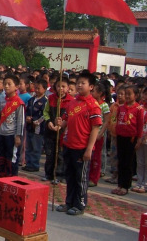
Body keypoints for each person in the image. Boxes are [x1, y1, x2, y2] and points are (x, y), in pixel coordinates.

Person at [56, 70, 102, 216]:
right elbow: (65, 121)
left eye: (83, 83)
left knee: (80, 177)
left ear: (91, 87)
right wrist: (60, 123)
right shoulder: (72, 102)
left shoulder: (93, 105)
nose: (80, 85)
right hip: (69, 144)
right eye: (78, 83)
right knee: (69, 175)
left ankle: (80, 204)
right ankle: (69, 201)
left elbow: (96, 127)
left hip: (82, 147)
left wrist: (89, 149)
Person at [113, 85, 144, 196]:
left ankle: (126, 186)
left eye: (129, 94)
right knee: (120, 162)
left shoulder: (138, 109)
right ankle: (119, 184)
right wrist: (116, 136)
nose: (126, 96)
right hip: (121, 137)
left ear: (135, 95)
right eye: (126, 93)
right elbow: (117, 122)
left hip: (131, 138)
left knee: (128, 162)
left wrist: (139, 139)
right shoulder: (121, 107)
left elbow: (140, 126)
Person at [42, 77, 74, 183]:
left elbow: (70, 116)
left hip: (63, 132)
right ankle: (48, 174)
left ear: (68, 88)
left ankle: (59, 175)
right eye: (59, 86)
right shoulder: (51, 98)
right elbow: (46, 112)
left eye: (63, 86)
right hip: (50, 130)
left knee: (60, 154)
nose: (61, 89)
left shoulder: (71, 101)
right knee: (50, 153)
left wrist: (62, 125)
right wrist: (49, 122)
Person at [0, 74, 25, 177]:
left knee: (11, 158)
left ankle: (11, 179)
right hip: (1, 133)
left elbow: (20, 121)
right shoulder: (2, 101)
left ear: (16, 87)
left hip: (11, 135)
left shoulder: (18, 103)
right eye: (5, 84)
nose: (6, 86)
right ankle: (1, 178)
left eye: (9, 84)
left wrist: (18, 136)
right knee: (1, 158)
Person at [89, 82, 112, 187]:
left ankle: (94, 178)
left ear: (100, 93)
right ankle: (88, 176)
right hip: (89, 134)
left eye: (93, 90)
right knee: (89, 156)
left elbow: (106, 121)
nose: (91, 92)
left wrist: (101, 133)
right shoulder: (91, 103)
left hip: (98, 135)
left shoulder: (104, 105)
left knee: (96, 157)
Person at [23, 79, 48, 172]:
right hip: (29, 126)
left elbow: (44, 115)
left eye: (39, 88)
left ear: (44, 89)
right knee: (28, 146)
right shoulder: (31, 99)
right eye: (35, 88)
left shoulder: (45, 101)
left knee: (36, 147)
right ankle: (28, 163)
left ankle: (34, 164)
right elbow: (27, 110)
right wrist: (27, 118)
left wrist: (34, 120)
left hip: (38, 127)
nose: (36, 90)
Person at [133, 87, 147, 193]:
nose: (145, 97)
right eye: (144, 94)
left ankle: (146, 184)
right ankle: (139, 182)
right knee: (140, 162)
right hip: (139, 138)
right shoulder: (140, 108)